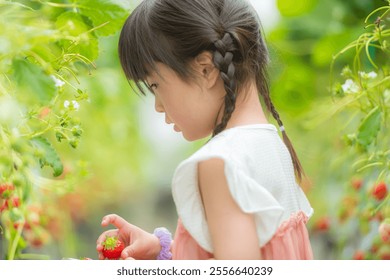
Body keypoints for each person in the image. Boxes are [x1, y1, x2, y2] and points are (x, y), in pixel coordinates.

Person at [96, 0, 313, 260]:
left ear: (206, 69)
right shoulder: (270, 145)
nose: (157, 106)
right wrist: (162, 250)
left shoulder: (218, 163)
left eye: (154, 85)